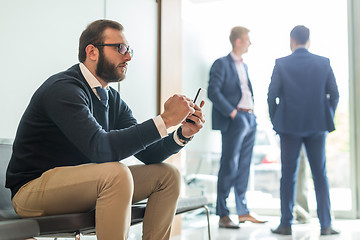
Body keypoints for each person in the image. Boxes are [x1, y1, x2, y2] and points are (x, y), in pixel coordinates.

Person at [5, 19, 205, 240]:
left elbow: (148, 153)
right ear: (92, 51)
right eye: (120, 48)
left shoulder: (111, 98)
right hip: (32, 192)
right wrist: (165, 119)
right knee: (115, 173)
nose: (128, 56)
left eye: (129, 49)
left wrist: (182, 134)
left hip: (85, 186)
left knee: (168, 176)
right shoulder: (64, 89)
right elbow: (101, 149)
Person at [267, 25, 340, 236]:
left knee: (288, 175)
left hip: (288, 127)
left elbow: (272, 96)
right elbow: (334, 94)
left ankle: (285, 224)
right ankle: (326, 225)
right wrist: (326, 116)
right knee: (320, 175)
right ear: (308, 40)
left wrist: (276, 121)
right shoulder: (323, 62)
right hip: (317, 126)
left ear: (291, 40)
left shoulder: (281, 64)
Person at [208, 26, 265, 229]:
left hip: (249, 118)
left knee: (244, 166)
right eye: (248, 39)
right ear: (238, 41)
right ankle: (223, 214)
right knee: (229, 166)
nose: (250, 43)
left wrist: (251, 116)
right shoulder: (222, 63)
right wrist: (233, 113)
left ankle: (242, 212)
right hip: (235, 118)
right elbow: (213, 92)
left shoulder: (245, 66)